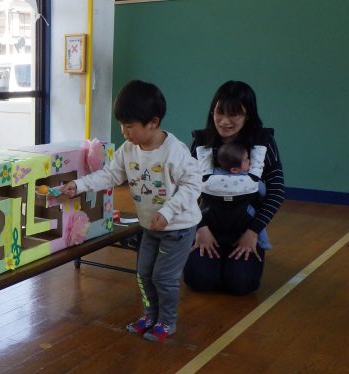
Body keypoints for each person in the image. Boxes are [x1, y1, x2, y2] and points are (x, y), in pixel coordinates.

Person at [59, 80, 202, 341]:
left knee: (163, 277)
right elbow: (110, 175)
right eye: (121, 125)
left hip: (178, 228)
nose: (124, 132)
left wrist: (168, 212)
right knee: (144, 274)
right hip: (149, 226)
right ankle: (150, 315)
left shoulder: (175, 151)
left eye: (129, 126)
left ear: (153, 123)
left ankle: (167, 321)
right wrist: (79, 185)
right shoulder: (128, 150)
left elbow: (193, 185)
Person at [183, 80, 285, 295]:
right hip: (208, 226)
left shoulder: (262, 142)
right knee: (200, 280)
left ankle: (235, 262)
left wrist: (253, 232)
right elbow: (185, 189)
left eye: (234, 114)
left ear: (248, 115)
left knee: (241, 284)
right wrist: (200, 228)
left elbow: (276, 192)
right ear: (212, 111)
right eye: (219, 112)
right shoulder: (202, 142)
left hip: (246, 227)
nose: (225, 121)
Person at [198, 142, 271, 251]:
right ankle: (264, 243)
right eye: (246, 159)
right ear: (235, 170)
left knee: (200, 214)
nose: (249, 161)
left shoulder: (210, 175)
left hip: (213, 213)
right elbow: (263, 191)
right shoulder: (249, 179)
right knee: (257, 219)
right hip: (244, 213)